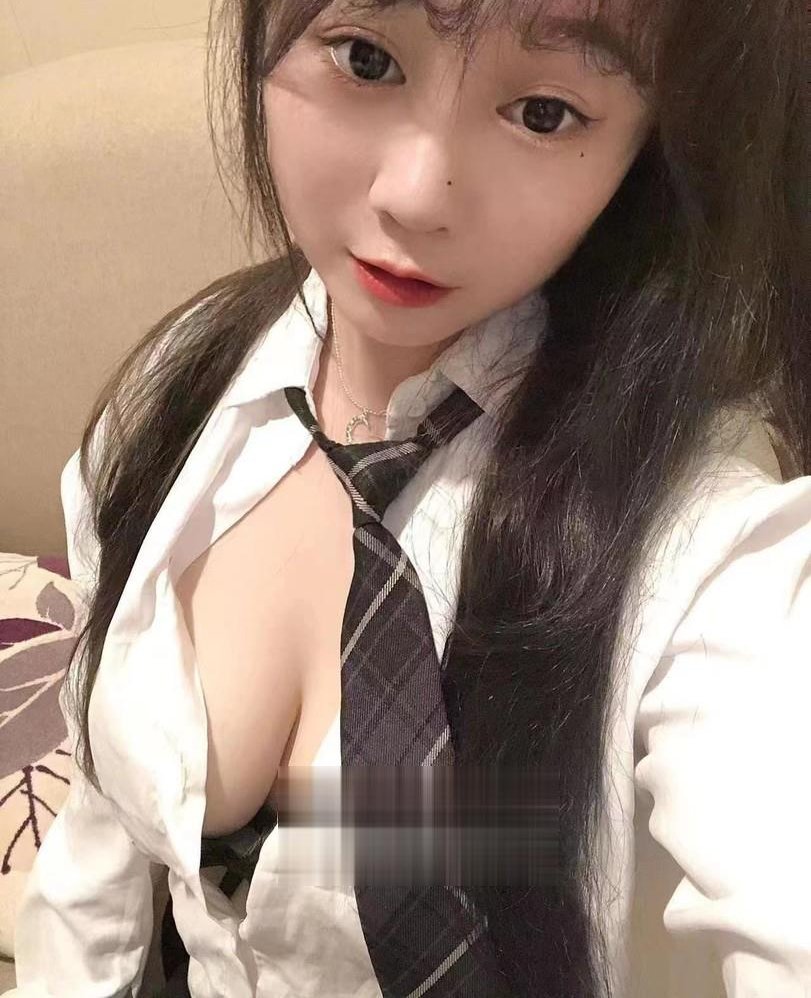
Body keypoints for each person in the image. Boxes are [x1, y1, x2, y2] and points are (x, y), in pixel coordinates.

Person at [9, 0, 810, 995]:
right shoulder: (185, 382)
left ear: (649, 144)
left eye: (545, 113)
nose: (416, 195)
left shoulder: (710, 549)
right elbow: (95, 849)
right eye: (364, 58)